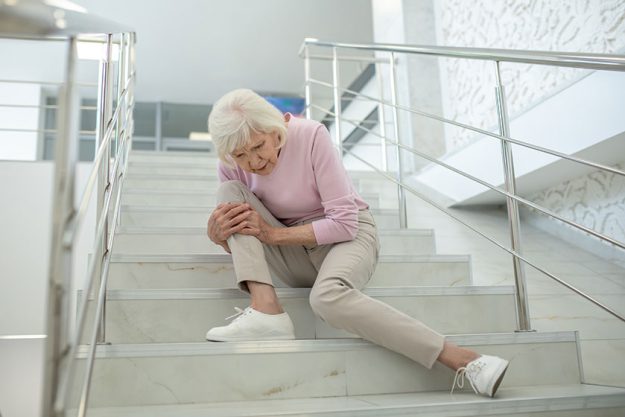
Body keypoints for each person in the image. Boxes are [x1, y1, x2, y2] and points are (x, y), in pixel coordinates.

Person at [205, 88, 509, 397]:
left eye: (258, 146)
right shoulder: (231, 165)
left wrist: (272, 235)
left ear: (275, 128)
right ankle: (266, 311)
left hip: (345, 239)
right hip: (292, 253)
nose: (253, 162)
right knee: (228, 193)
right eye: (241, 155)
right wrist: (219, 235)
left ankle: (465, 360)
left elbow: (343, 223)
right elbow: (247, 236)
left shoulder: (310, 135)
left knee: (326, 299)